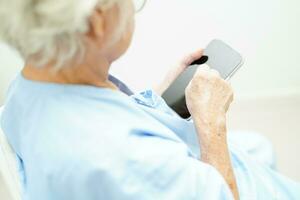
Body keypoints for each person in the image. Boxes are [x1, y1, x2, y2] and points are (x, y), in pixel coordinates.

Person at [0, 0, 299, 199]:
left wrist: (159, 98)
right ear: (98, 22)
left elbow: (106, 114)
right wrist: (211, 123)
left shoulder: (28, 86)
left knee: (259, 146)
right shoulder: (123, 158)